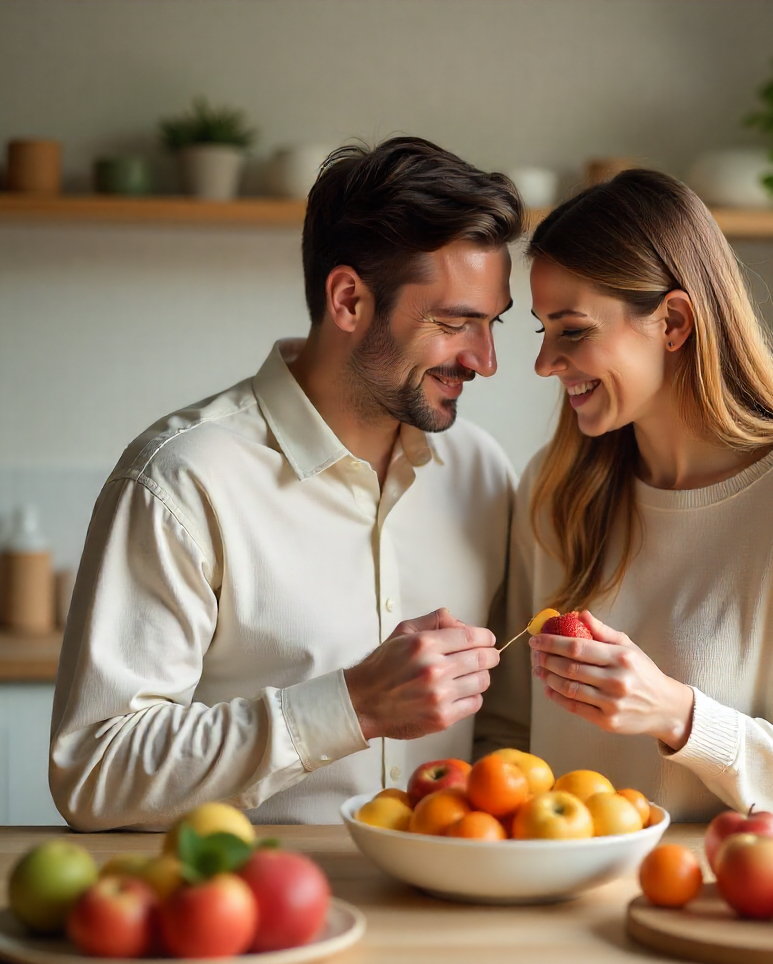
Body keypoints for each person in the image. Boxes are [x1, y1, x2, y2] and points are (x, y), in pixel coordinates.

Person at [50, 138, 523, 830]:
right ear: (349, 300)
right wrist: (350, 706)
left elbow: (502, 739)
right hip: (246, 918)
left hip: (444, 914)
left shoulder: (484, 474)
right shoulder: (182, 480)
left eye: (493, 324)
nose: (485, 360)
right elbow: (96, 771)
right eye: (455, 324)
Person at [481, 170, 773, 827]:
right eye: (542, 331)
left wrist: (680, 716)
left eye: (572, 330)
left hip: (718, 905)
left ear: (673, 321)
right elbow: (506, 731)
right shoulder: (554, 489)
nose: (544, 364)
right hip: (550, 905)